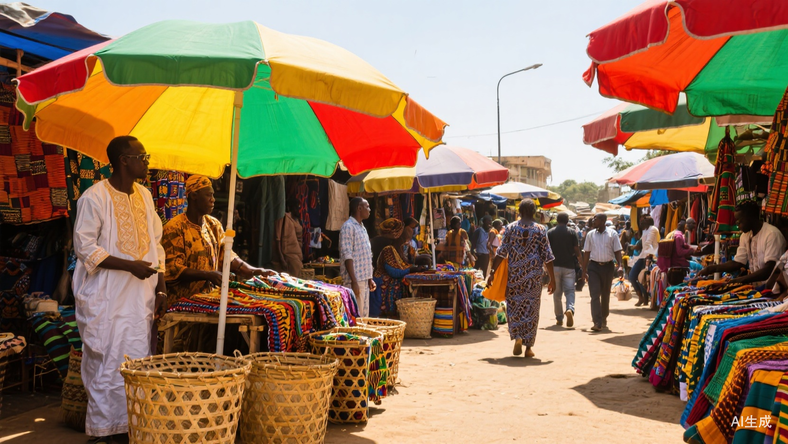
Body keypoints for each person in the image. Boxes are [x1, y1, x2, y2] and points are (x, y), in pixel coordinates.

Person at [72, 136, 167, 442]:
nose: (147, 162)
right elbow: (85, 247)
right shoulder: (94, 197)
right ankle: (103, 431)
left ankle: (130, 426)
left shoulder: (145, 196)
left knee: (137, 360)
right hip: (106, 298)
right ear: (124, 160)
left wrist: (161, 289)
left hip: (141, 299)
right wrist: (129, 266)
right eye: (143, 156)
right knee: (106, 361)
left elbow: (156, 246)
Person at [162, 175, 275, 308]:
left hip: (208, 301)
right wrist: (207, 275)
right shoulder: (175, 228)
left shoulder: (213, 225)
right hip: (181, 304)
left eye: (213, 195)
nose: (213, 200)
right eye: (208, 195)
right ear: (193, 196)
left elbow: (227, 256)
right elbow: (174, 269)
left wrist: (255, 271)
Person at [489, 199, 556, 358]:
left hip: (515, 276)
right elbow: (547, 256)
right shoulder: (540, 229)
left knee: (514, 306)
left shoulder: (510, 228)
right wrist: (552, 279)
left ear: (519, 212)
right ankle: (528, 347)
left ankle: (517, 336)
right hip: (533, 278)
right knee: (532, 310)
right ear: (534, 212)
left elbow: (501, 253)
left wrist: (492, 272)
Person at [699, 201, 787, 284]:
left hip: (774, 287)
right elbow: (738, 262)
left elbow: (769, 270)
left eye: (740, 220)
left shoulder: (772, 234)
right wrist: (711, 269)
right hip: (757, 287)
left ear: (750, 218)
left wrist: (739, 280)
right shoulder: (745, 236)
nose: (737, 224)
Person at [582, 213, 624, 332]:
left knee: (605, 294)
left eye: (595, 219)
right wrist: (584, 270)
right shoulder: (590, 234)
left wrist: (620, 266)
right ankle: (597, 322)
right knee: (594, 294)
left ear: (602, 221)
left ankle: (604, 317)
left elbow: (617, 251)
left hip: (608, 267)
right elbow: (587, 253)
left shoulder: (612, 234)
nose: (593, 221)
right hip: (594, 267)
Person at [375, 219, 423, 316]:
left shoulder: (399, 249)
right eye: (411, 228)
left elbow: (403, 265)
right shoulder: (388, 250)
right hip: (381, 288)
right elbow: (393, 272)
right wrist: (410, 270)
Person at [340, 197, 377, 317]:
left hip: (364, 279)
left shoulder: (362, 227)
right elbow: (347, 256)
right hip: (355, 280)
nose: (369, 209)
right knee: (356, 317)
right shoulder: (348, 227)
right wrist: (354, 281)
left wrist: (369, 278)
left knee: (364, 317)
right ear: (359, 208)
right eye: (367, 206)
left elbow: (366, 254)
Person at [548, 212, 582, 328]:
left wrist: (545, 268)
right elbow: (576, 250)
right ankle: (569, 309)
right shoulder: (572, 232)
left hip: (554, 267)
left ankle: (559, 319)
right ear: (567, 221)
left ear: (557, 220)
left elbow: (547, 251)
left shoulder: (550, 233)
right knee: (570, 291)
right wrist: (581, 263)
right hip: (569, 267)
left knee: (557, 293)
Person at [629, 215, 659, 307]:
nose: (641, 223)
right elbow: (642, 243)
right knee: (632, 276)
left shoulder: (653, 229)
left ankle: (646, 298)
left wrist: (647, 257)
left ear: (648, 222)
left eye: (642, 221)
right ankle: (641, 297)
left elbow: (648, 243)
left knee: (644, 279)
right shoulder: (645, 230)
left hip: (650, 256)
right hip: (643, 256)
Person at [274, 197, 304, 277]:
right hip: (288, 255)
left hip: (297, 254)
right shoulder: (284, 218)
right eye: (296, 207)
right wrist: (281, 258)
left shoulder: (297, 220)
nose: (298, 209)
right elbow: (277, 239)